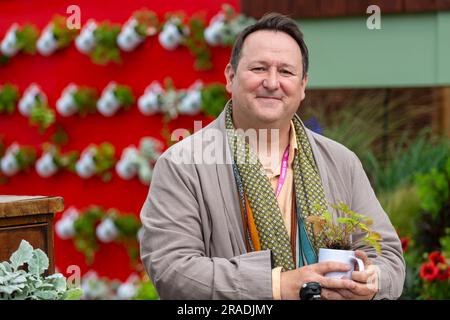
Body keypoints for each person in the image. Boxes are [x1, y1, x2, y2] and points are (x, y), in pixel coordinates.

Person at [139, 13, 405, 300]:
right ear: (230, 77)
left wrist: (370, 282)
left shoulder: (341, 162)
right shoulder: (182, 164)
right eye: (259, 68)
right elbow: (172, 269)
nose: (272, 82)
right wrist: (277, 286)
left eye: (286, 72)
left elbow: (388, 257)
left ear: (303, 85)